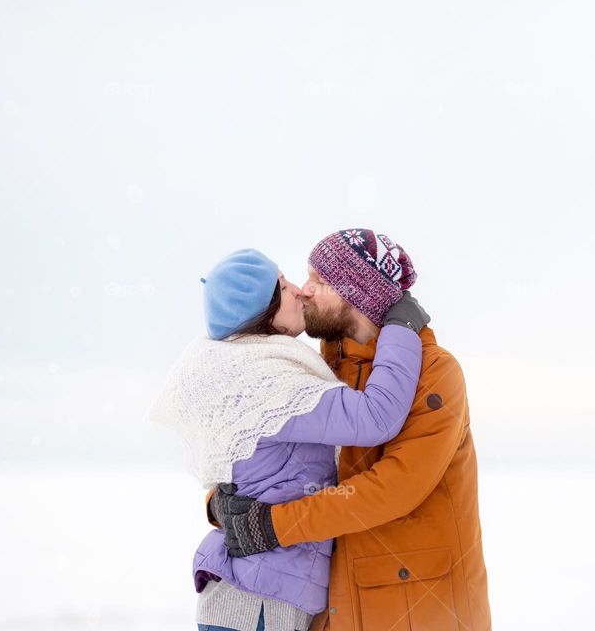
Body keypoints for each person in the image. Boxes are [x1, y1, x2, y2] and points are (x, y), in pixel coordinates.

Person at [208, 230, 492, 631]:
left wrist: (275, 526)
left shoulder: (435, 373)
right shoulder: (326, 366)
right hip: (339, 608)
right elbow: (268, 452)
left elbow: (393, 489)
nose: (303, 292)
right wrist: (221, 504)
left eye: (317, 282)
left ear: (357, 294)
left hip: (421, 611)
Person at [151, 247, 430, 631]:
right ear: (262, 313)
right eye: (283, 286)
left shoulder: (243, 367)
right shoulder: (272, 387)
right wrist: (402, 328)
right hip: (259, 605)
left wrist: (216, 505)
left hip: (251, 594)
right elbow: (376, 417)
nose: (299, 290)